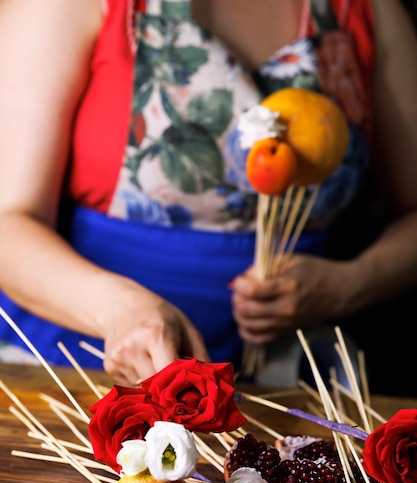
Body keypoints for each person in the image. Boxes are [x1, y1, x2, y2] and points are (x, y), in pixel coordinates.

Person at [0, 0, 417, 394]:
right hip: (66, 367)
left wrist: (352, 282)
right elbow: (9, 221)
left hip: (276, 383)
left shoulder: (368, 11)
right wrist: (117, 308)